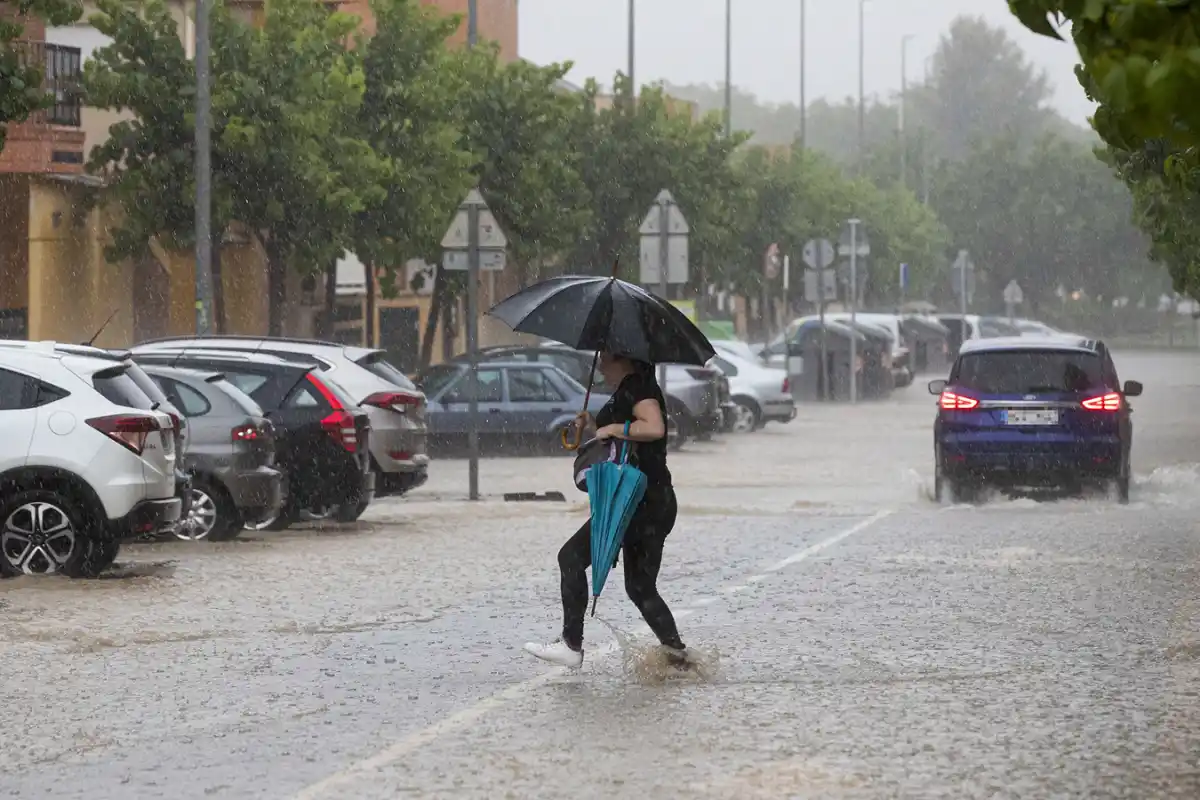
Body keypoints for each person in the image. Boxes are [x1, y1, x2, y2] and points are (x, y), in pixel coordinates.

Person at [524, 350, 690, 669]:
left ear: (625, 359)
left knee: (571, 558)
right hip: (651, 500)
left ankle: (571, 645)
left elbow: (654, 427)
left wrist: (613, 427)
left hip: (638, 501)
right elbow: (624, 444)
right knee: (640, 587)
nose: (600, 364)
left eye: (607, 357)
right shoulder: (634, 387)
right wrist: (592, 424)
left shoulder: (637, 386)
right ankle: (679, 658)